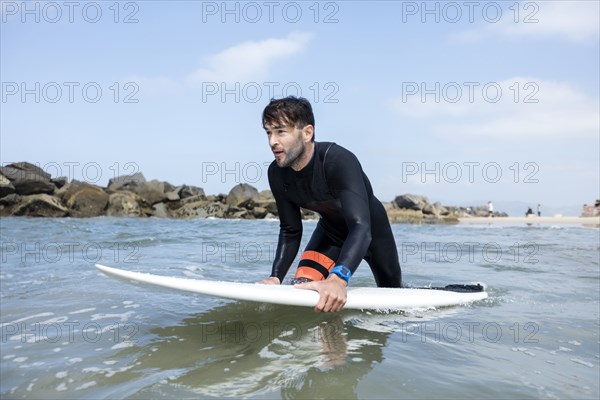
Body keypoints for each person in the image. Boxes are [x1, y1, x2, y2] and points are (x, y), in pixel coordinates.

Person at [258, 96, 402, 312]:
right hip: (331, 235)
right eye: (268, 132)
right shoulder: (277, 173)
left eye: (281, 131)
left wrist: (338, 279)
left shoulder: (338, 161)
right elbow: (290, 229)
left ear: (307, 133)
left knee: (394, 299)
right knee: (303, 289)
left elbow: (361, 226)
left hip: (371, 232)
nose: (272, 141)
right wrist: (275, 277)